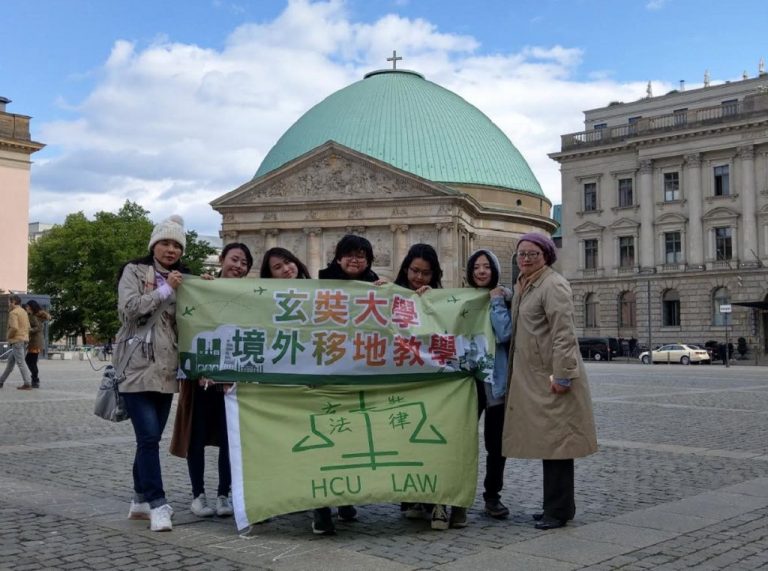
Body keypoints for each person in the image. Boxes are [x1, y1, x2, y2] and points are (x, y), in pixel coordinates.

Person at [502, 233, 597, 530]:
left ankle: (558, 510)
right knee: (549, 444)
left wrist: (564, 376)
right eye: (521, 254)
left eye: (533, 253)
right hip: (536, 376)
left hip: (552, 377)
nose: (526, 258)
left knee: (558, 444)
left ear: (546, 256)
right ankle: (553, 507)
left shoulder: (553, 285)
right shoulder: (525, 285)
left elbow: (564, 334)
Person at [116, 215, 190, 532]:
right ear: (153, 245)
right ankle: (158, 503)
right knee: (147, 437)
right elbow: (129, 309)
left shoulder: (183, 279)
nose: (171, 249)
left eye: (176, 245)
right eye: (165, 243)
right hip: (135, 365)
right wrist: (164, 291)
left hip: (165, 367)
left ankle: (138, 500)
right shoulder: (134, 271)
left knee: (150, 439)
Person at [170, 242, 254, 519]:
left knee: (229, 441)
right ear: (221, 259)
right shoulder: (203, 288)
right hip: (201, 380)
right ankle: (198, 495)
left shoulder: (250, 297)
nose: (238, 266)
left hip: (232, 382)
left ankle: (223, 494)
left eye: (244, 263)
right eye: (235, 259)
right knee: (196, 436)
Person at [313, 234, 385, 535]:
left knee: (352, 439)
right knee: (323, 444)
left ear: (368, 260)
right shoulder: (317, 284)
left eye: (361, 255)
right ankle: (320, 508)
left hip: (361, 375)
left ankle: (344, 498)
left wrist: (392, 296)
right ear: (338, 257)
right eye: (349, 254)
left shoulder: (377, 286)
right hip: (324, 375)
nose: (355, 260)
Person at [393, 244, 444, 527]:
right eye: (414, 271)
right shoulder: (391, 294)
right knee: (405, 442)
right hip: (401, 379)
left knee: (429, 441)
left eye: (426, 273)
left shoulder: (441, 298)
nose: (419, 278)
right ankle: (411, 496)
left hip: (431, 381)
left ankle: (434, 498)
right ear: (405, 269)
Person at [464, 248, 513, 527]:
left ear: (494, 271)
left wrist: (496, 302)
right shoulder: (463, 300)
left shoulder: (504, 299)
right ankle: (454, 491)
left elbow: (505, 333)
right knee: (458, 441)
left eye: (486, 267)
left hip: (494, 383)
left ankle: (492, 495)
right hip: (465, 383)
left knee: (495, 445)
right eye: (476, 267)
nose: (481, 271)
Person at [0, 295, 33, 390]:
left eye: (9, 302)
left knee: (21, 362)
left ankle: (27, 383)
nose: (8, 304)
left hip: (17, 341)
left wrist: (8, 336)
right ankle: (1, 381)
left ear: (13, 302)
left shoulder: (13, 313)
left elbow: (14, 328)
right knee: (10, 363)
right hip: (24, 340)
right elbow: (29, 327)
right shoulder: (23, 312)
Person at [24, 300, 50, 389]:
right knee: (31, 361)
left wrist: (28, 330)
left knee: (29, 361)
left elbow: (38, 328)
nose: (26, 308)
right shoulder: (33, 315)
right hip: (35, 341)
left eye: (27, 306)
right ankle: (35, 379)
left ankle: (35, 379)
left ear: (31, 307)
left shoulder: (33, 316)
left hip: (35, 341)